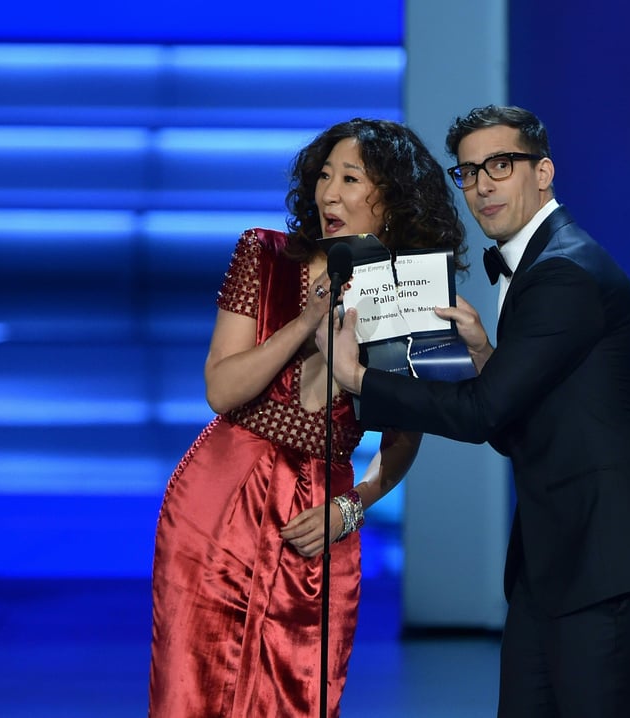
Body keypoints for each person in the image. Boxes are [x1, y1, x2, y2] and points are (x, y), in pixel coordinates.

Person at [320, 105, 630, 717]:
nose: (482, 185)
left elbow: (481, 416)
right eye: (468, 172)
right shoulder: (539, 268)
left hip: (610, 564)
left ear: (543, 172)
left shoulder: (566, 273)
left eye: (500, 165)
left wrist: (356, 378)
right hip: (556, 565)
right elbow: (522, 423)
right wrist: (487, 355)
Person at [148, 118, 467, 717]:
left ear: (392, 201)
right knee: (193, 692)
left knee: (302, 693)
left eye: (350, 178)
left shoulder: (413, 296)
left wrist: (353, 506)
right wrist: (302, 325)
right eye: (324, 176)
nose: (329, 194)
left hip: (319, 513)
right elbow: (220, 388)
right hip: (220, 500)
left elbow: (404, 438)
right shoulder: (264, 254)